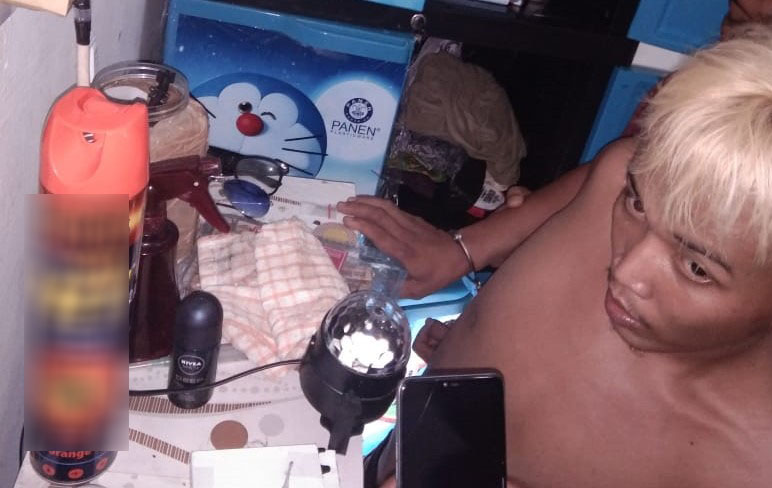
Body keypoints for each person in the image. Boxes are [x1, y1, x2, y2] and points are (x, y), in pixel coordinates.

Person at [337, 31, 772, 488]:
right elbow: (612, 168)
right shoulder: (628, 175)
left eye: (696, 268)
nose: (625, 271)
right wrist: (465, 249)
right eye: (637, 204)